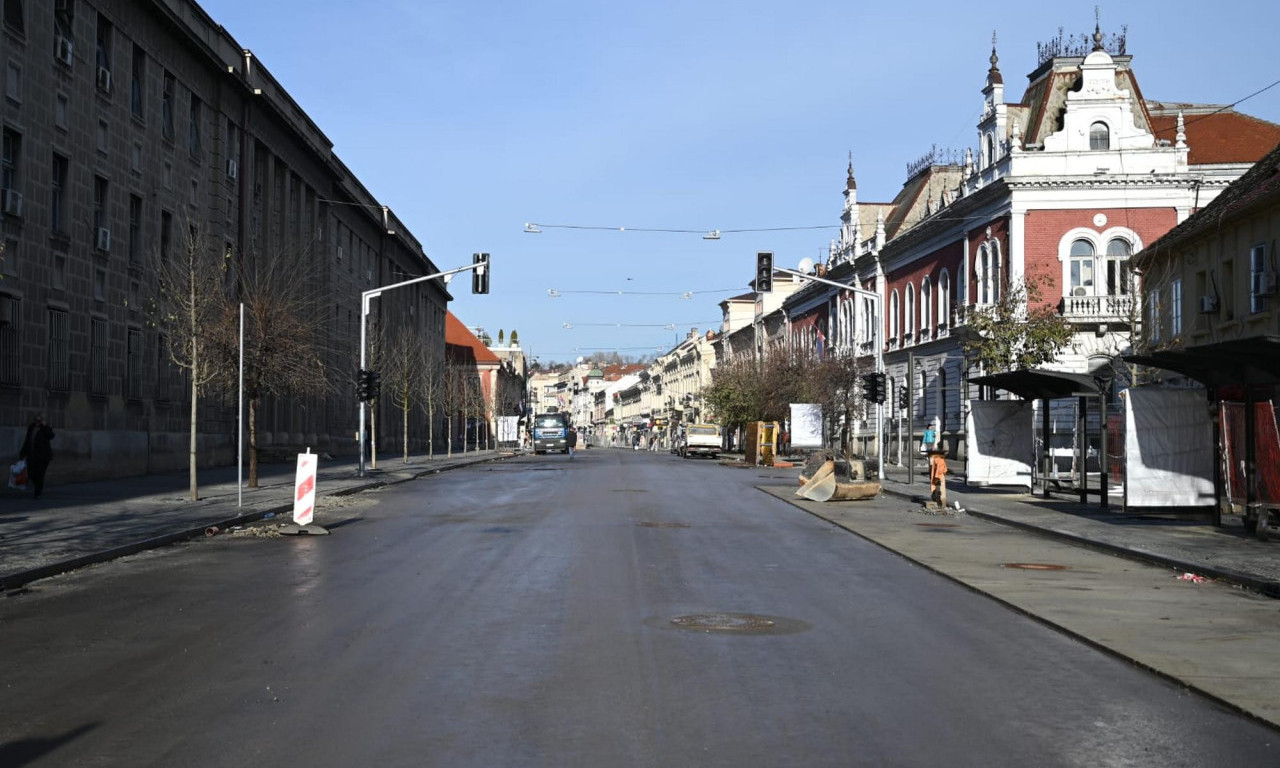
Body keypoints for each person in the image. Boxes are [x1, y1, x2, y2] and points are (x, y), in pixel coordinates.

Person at [20, 414, 55, 500]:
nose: (37, 422)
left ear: (42, 421)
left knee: (40, 474)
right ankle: (38, 486)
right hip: (32, 456)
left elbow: (51, 436)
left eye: (39, 421)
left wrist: (45, 426)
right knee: (30, 473)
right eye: (36, 420)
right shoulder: (31, 428)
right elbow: (27, 441)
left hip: (43, 457)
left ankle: (38, 492)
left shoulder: (45, 429)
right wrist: (22, 454)